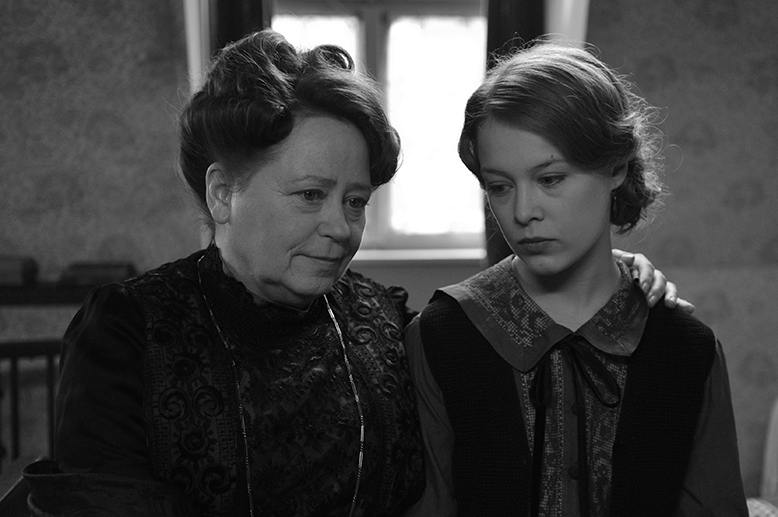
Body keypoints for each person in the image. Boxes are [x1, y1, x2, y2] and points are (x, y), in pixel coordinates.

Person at [23, 29, 684, 517]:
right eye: (310, 195)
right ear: (223, 193)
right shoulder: (127, 332)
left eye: (356, 201)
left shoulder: (381, 318)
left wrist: (606, 272)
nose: (341, 228)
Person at [405, 41, 747, 517]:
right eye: (500, 187)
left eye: (550, 179)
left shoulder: (687, 349)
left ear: (616, 167)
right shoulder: (442, 336)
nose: (523, 212)